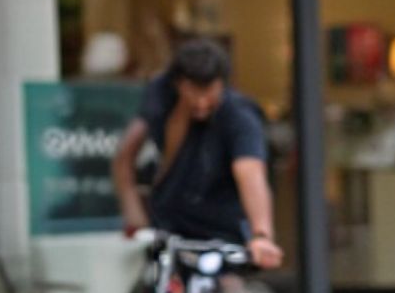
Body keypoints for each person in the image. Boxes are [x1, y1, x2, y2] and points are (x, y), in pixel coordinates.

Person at [111, 39, 283, 271]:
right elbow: (125, 155)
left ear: (222, 84)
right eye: (193, 92)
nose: (201, 102)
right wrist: (134, 215)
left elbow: (249, 171)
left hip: (222, 216)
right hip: (173, 212)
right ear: (178, 84)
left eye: (208, 92)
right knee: (161, 282)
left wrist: (261, 234)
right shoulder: (161, 95)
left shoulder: (239, 116)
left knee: (226, 279)